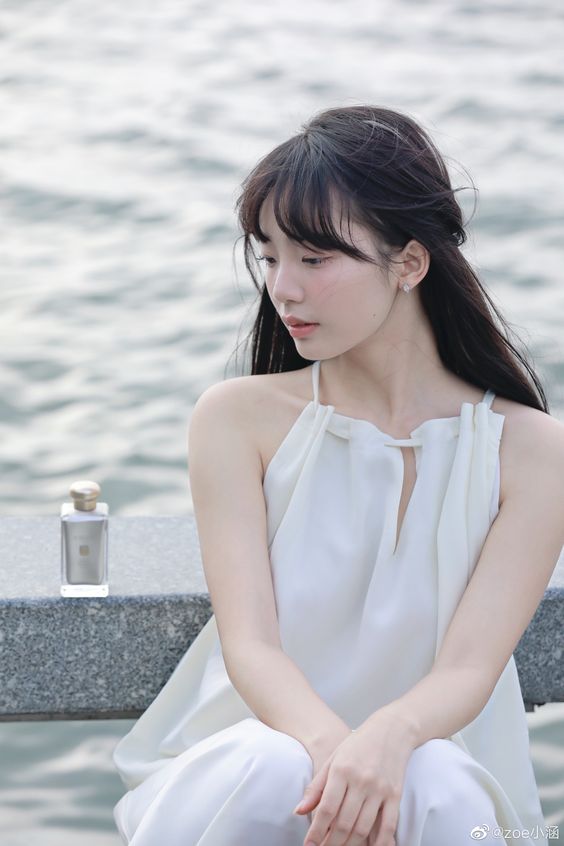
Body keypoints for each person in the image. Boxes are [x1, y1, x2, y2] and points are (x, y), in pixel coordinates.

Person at [111, 105, 564, 846]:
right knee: (267, 763)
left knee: (438, 778)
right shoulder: (236, 420)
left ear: (409, 263)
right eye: (269, 255)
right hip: (250, 768)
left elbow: (470, 668)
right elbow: (250, 644)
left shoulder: (532, 449)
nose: (282, 288)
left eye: (314, 260)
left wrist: (387, 739)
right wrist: (332, 753)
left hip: (428, 772)